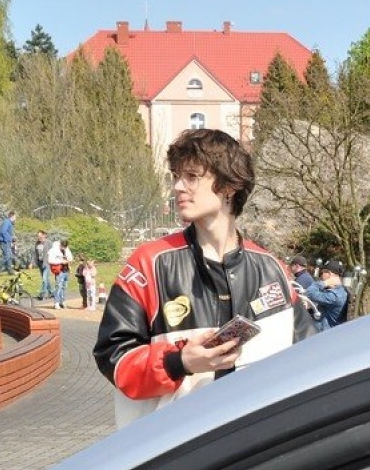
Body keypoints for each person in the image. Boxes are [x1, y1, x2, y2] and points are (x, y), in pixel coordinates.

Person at [94, 127, 314, 428]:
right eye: (176, 176)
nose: (178, 187)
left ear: (228, 185)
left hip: (257, 450)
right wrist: (178, 362)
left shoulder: (273, 270)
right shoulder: (148, 264)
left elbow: (309, 359)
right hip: (172, 452)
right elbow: (114, 360)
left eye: (192, 177)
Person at [301, 259, 350, 329]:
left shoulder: (334, 295)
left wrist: (325, 282)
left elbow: (309, 292)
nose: (321, 276)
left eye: (323, 272)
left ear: (329, 274)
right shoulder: (338, 291)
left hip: (323, 332)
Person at [47, 235, 73, 309]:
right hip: (59, 270)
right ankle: (56, 303)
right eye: (63, 246)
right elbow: (50, 260)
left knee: (64, 287)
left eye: (65, 247)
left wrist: (67, 260)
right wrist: (61, 261)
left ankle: (62, 301)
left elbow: (71, 257)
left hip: (66, 269)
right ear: (60, 244)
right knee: (58, 286)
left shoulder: (66, 249)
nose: (64, 248)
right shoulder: (54, 249)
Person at [33, 229, 51, 299]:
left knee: (44, 279)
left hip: (47, 263)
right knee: (46, 279)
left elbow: (53, 251)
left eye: (40, 236)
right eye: (38, 236)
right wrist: (32, 262)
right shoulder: (37, 243)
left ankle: (42, 294)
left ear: (44, 235)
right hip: (40, 263)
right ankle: (50, 292)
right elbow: (35, 253)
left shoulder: (48, 243)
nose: (39, 238)